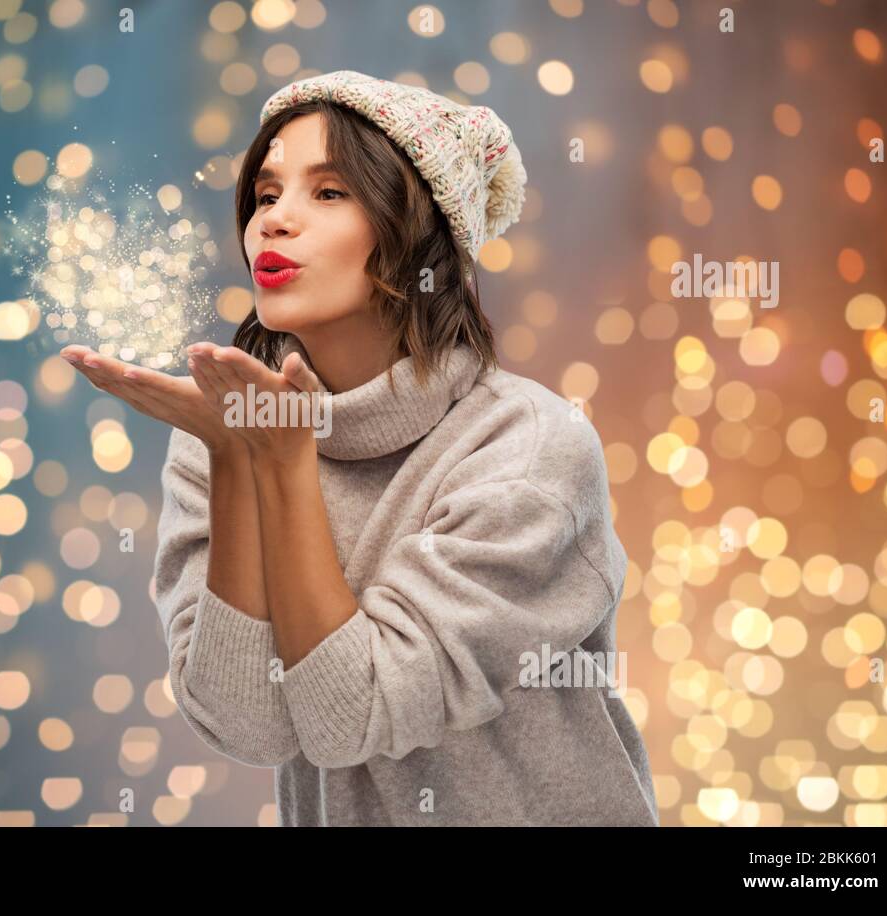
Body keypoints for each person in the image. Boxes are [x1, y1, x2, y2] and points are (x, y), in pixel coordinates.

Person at [62, 70, 658, 826]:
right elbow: (246, 726)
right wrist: (238, 466)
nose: (274, 222)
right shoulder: (223, 437)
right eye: (267, 195)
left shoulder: (528, 452)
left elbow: (354, 715)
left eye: (330, 192)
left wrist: (277, 464)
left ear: (417, 235)